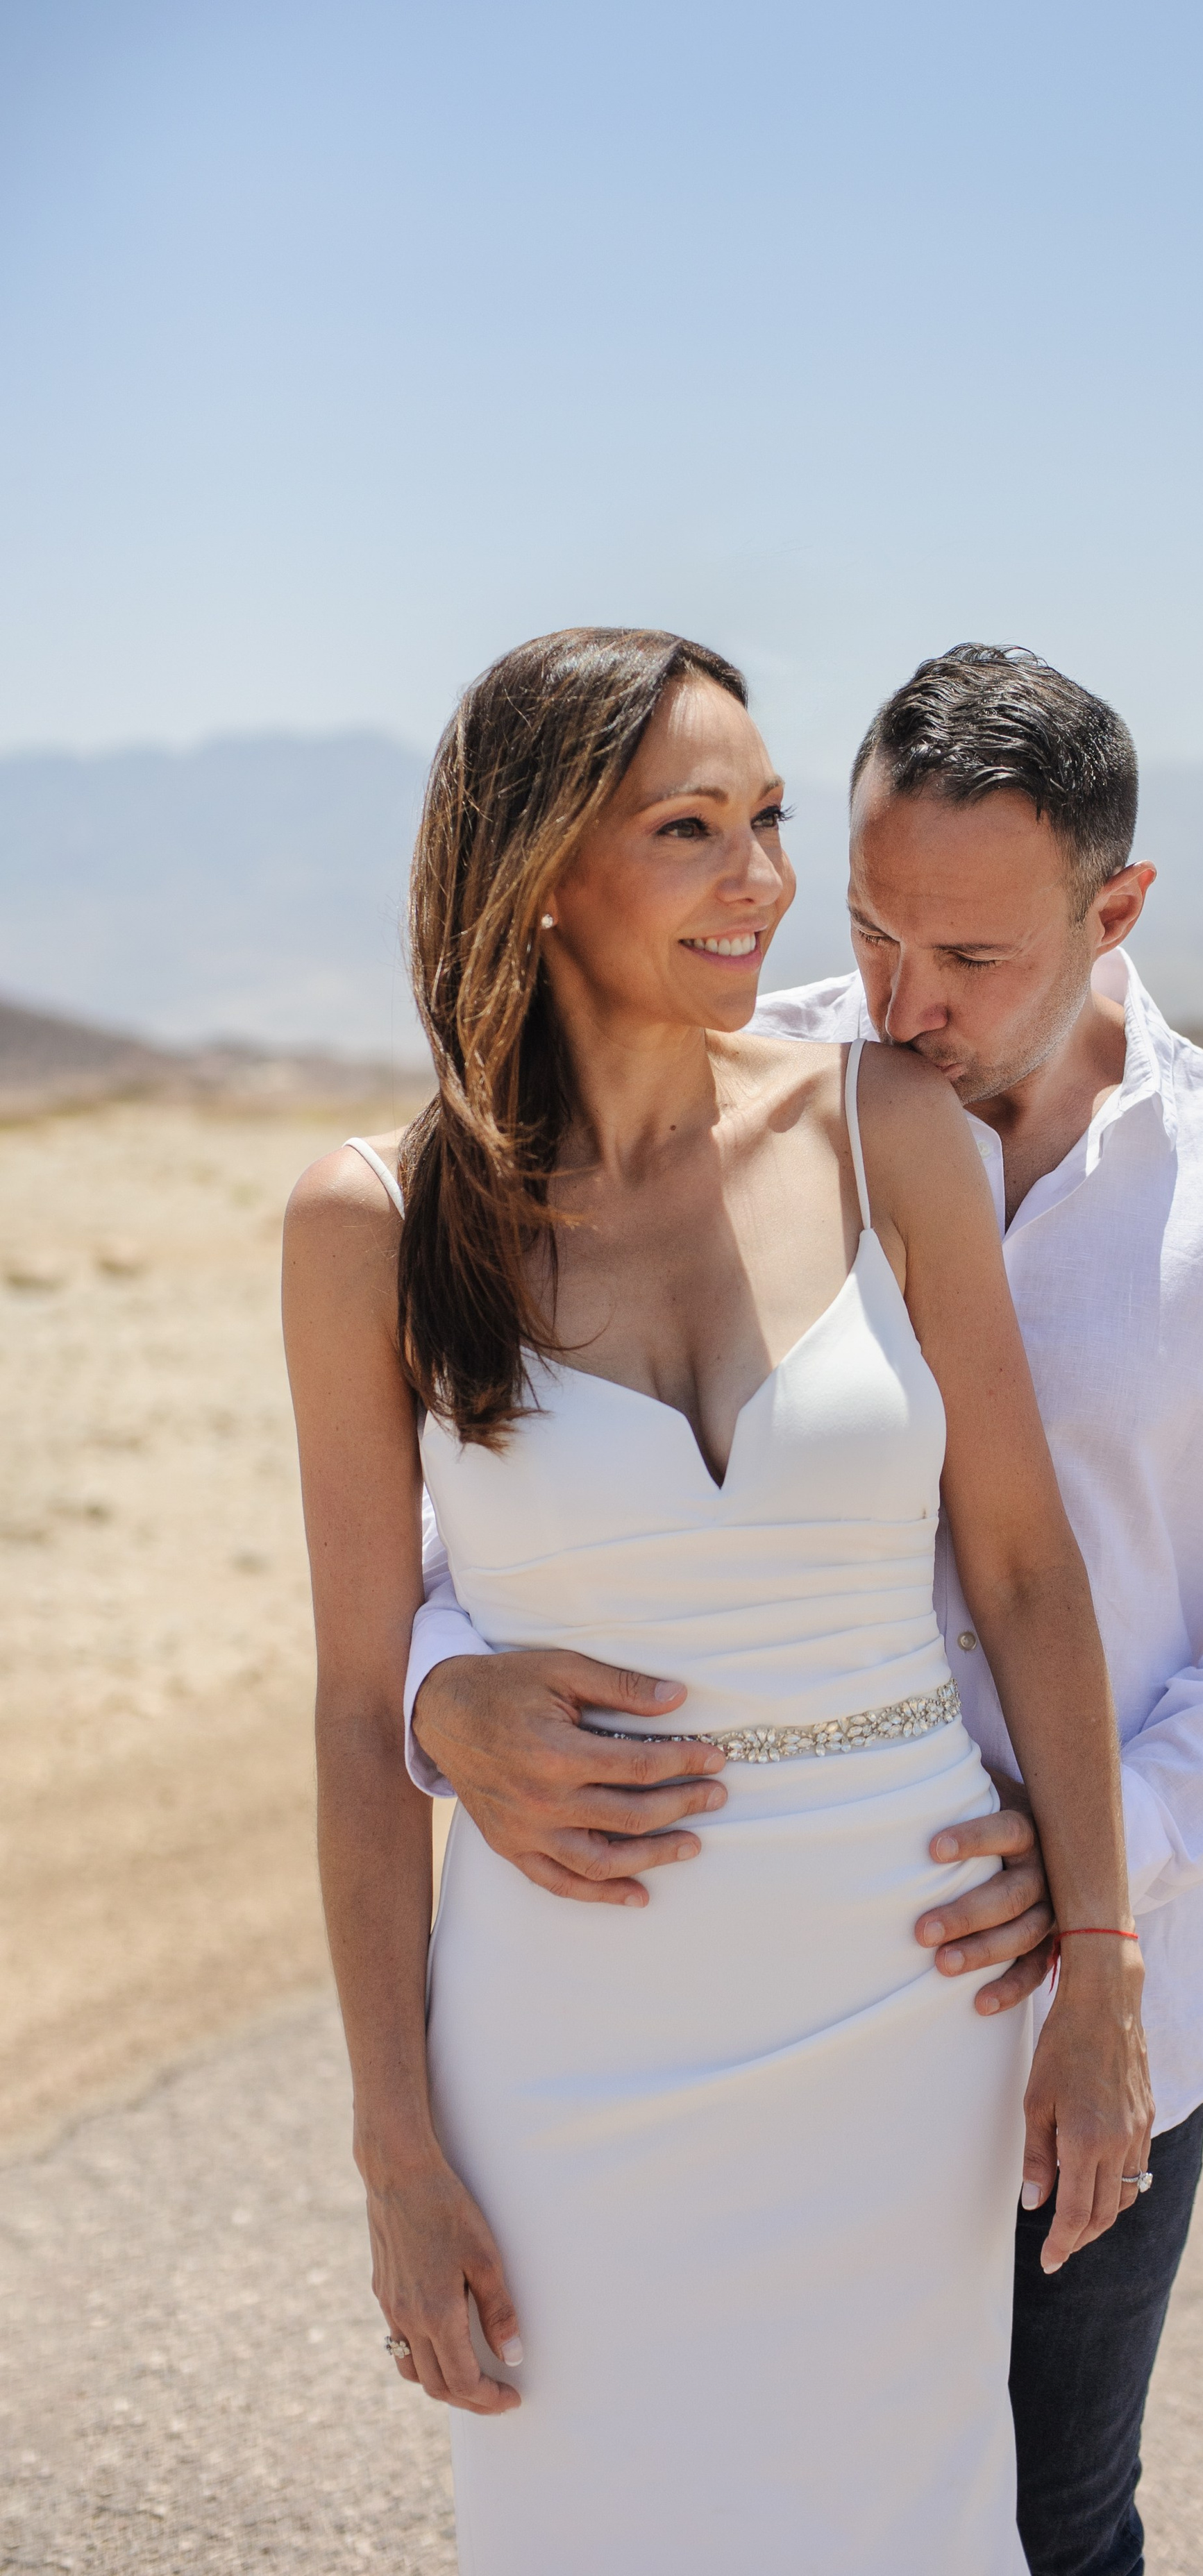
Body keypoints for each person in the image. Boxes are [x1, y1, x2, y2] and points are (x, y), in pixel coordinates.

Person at [405, 641, 1203, 2576]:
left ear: (1115, 911)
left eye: (970, 960)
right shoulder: (758, 1095)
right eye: (872, 928)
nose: (900, 999)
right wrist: (437, 1693)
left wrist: (1102, 1872)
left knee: (1041, 2515)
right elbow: (493, 1528)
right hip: (742, 1968)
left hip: (1100, 1990)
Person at [281, 628, 1152, 2576]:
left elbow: (1024, 1568)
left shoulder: (886, 1132)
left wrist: (1102, 1966)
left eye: (768, 821)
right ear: (536, 871)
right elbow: (357, 1707)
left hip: (909, 1993)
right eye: (693, 829)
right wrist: (395, 2150)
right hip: (571, 2035)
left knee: (910, 2522)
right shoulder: (376, 1219)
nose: (764, 880)